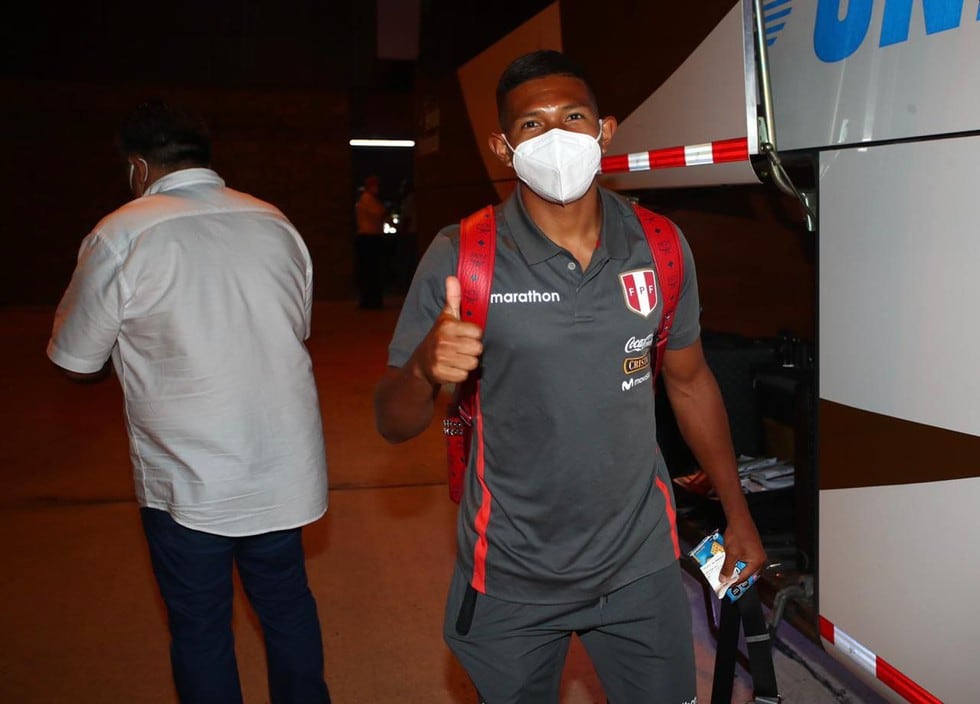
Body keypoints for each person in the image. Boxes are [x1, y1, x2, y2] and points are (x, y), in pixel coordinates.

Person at [374, 50, 766, 703]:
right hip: (511, 569)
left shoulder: (660, 246)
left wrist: (738, 514)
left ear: (605, 131)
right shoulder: (460, 255)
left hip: (639, 563)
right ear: (503, 146)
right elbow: (392, 422)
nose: (556, 138)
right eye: (532, 125)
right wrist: (423, 368)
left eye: (573, 117)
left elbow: (691, 382)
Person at [47, 100, 331, 704]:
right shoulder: (275, 222)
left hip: (189, 478)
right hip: (283, 467)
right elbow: (293, 329)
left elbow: (76, 361)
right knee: (287, 608)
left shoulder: (120, 232)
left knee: (201, 629)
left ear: (139, 166)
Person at [354, 174, 387, 309]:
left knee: (371, 272)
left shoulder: (368, 199)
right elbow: (381, 212)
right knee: (371, 271)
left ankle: (371, 300)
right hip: (369, 239)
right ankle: (371, 301)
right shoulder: (367, 199)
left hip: (370, 238)